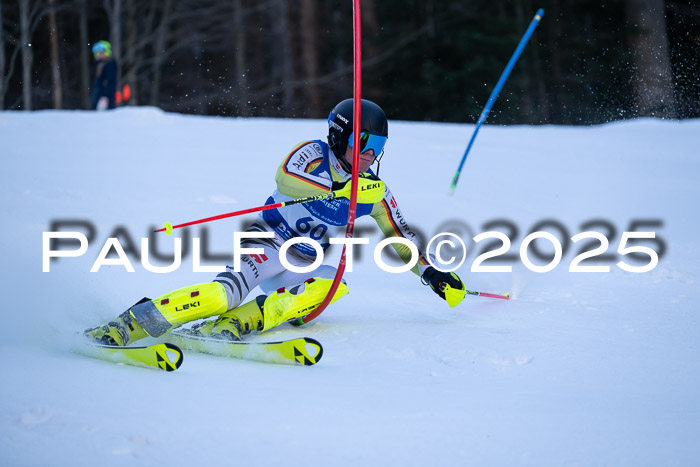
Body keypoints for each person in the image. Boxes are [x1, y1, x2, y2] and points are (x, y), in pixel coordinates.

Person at [85, 99, 465, 346]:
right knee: (222, 295)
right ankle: (132, 323)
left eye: (378, 148)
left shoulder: (373, 190)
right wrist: (339, 189)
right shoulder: (313, 154)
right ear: (340, 134)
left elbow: (399, 237)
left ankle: (241, 323)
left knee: (334, 286)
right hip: (268, 243)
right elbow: (286, 178)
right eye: (364, 142)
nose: (370, 155)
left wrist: (430, 272)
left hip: (305, 261)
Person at [91, 40, 117, 110]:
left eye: (101, 53)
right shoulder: (100, 65)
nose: (99, 55)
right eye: (97, 53)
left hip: (104, 100)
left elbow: (110, 81)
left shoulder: (109, 64)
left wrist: (105, 97)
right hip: (99, 98)